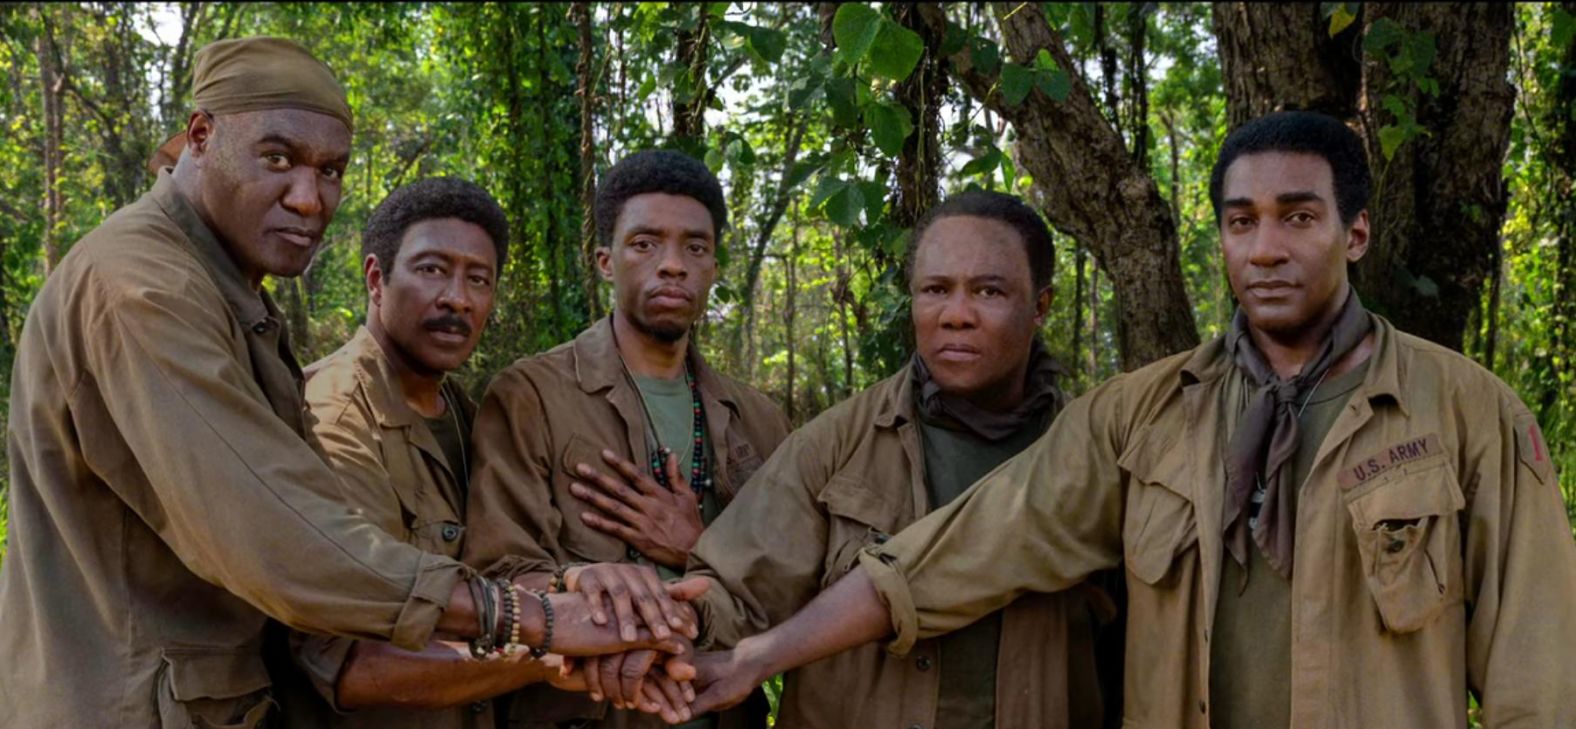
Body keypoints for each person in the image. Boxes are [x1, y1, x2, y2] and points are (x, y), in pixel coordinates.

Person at [683, 111, 1576, 728]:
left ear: (1355, 233)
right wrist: (764, 652)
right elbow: (953, 553)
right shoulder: (1145, 416)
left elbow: (1538, 674)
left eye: (1298, 217)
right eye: (1241, 221)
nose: (1266, 247)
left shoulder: (1467, 416)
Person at [0, 37, 692, 729]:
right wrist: (534, 621)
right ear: (201, 137)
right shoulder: (142, 289)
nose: (308, 199)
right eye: (278, 158)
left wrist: (584, 596)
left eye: (331, 171)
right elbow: (278, 537)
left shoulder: (225, 290)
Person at [672, 190, 1117, 729]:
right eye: (935, 290)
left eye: (989, 291)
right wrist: (641, 621)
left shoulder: (1094, 458)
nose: (956, 316)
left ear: (1040, 305)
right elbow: (733, 591)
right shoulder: (838, 446)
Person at [462, 149, 790, 729]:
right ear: (606, 261)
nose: (672, 265)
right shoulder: (531, 396)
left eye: (695, 247)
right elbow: (496, 576)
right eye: (645, 244)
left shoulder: (757, 419)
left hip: (719, 713)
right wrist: (581, 586)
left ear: (714, 266)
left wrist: (699, 544)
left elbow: (792, 589)